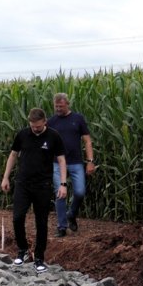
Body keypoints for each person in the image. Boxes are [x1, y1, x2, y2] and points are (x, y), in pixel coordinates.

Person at [0, 107, 67, 274]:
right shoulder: (23, 135)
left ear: (45, 121)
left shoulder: (53, 136)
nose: (35, 129)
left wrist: (63, 184)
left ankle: (39, 258)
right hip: (23, 184)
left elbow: (61, 160)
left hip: (43, 186)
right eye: (32, 126)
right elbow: (13, 155)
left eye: (38, 126)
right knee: (17, 217)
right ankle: (22, 250)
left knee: (41, 223)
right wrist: (5, 177)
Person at [47, 92, 95, 236]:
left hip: (76, 162)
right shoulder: (51, 122)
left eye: (61, 106)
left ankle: (71, 214)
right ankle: (61, 227)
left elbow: (87, 140)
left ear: (67, 104)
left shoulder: (78, 119)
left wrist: (90, 161)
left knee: (80, 192)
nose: (58, 109)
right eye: (56, 106)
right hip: (57, 163)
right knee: (60, 194)